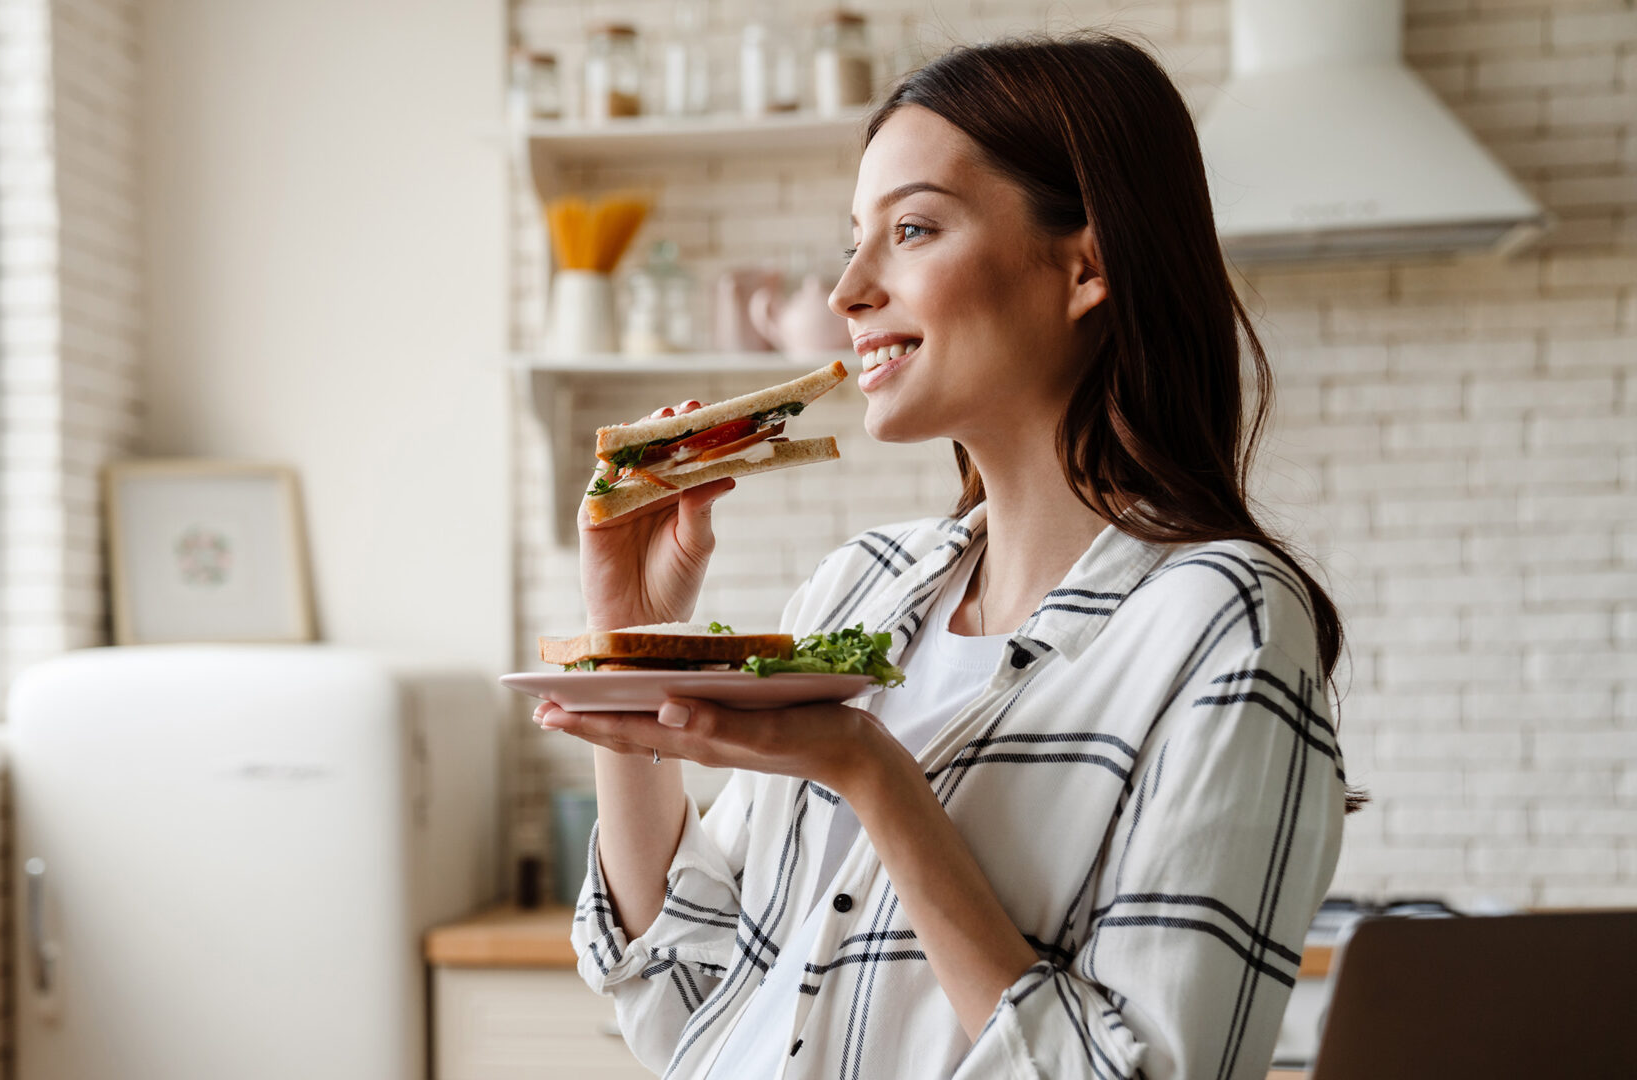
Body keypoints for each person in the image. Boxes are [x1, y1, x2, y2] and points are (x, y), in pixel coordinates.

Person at [534, 33, 1358, 1080]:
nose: (848, 291)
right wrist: (632, 637)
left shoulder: (1219, 620)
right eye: (854, 239)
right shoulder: (863, 589)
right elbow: (681, 991)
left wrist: (875, 776)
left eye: (913, 228)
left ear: (1087, 265)